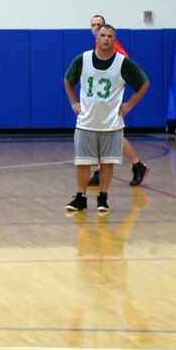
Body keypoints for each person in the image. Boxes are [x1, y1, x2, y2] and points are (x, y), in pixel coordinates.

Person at [64, 22, 149, 216]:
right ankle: (80, 197)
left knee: (108, 162)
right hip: (86, 121)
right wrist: (73, 102)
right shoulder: (82, 59)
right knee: (83, 162)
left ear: (114, 39)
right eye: (102, 35)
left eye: (110, 36)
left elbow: (144, 83)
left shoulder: (123, 63)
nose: (106, 39)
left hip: (111, 123)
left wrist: (129, 104)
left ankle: (103, 198)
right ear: (96, 37)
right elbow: (68, 80)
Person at [88, 14, 148, 186]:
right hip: (100, 99)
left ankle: (137, 165)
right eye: (93, 24)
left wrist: (128, 100)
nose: (96, 27)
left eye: (99, 24)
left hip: (111, 98)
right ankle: (101, 170)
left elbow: (125, 63)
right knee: (100, 134)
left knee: (114, 135)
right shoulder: (95, 47)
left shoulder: (113, 46)